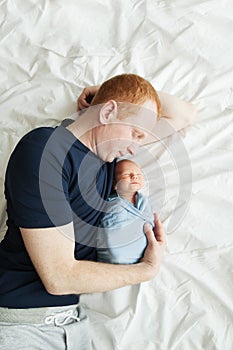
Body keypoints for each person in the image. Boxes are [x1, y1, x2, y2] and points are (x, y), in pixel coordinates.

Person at [0, 73, 194, 350]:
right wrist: (146, 270)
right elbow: (59, 277)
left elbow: (185, 115)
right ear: (109, 112)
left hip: (72, 325)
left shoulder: (109, 163)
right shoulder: (45, 150)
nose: (135, 147)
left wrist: (101, 91)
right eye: (135, 134)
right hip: (22, 322)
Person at [97, 159, 154, 264]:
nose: (134, 176)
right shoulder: (113, 204)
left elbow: (150, 221)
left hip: (141, 257)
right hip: (113, 258)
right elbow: (110, 228)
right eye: (127, 174)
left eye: (139, 174)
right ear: (115, 183)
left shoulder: (143, 201)